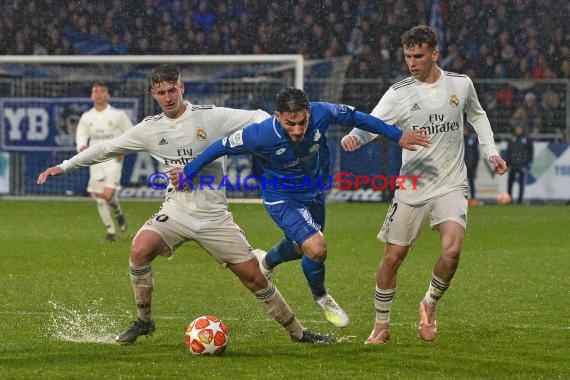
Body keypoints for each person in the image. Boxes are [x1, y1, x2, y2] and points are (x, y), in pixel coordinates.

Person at [37, 64, 335, 345]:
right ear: (153, 94)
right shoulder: (149, 128)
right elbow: (106, 148)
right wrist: (64, 166)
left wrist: (277, 133)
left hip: (214, 216)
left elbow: (257, 116)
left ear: (182, 88)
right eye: (161, 92)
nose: (167, 97)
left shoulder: (210, 117)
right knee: (140, 249)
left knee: (254, 277)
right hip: (176, 210)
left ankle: (299, 332)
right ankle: (145, 320)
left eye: (172, 90)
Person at [177, 87, 430, 329]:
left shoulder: (323, 112)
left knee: (303, 247)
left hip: (314, 191)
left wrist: (398, 135)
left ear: (308, 112)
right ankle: (322, 297)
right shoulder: (259, 134)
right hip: (281, 197)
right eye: (290, 123)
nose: (297, 130)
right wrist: (188, 173)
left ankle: (267, 260)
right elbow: (219, 147)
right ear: (278, 116)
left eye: (301, 122)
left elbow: (358, 117)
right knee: (316, 247)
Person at [341, 25, 508, 344]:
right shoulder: (399, 93)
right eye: (407, 56)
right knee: (393, 258)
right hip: (413, 185)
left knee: (453, 250)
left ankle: (429, 303)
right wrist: (355, 138)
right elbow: (373, 123)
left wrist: (491, 152)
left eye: (418, 56)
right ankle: (381, 324)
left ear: (435, 54)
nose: (412, 62)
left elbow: (478, 116)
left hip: (451, 183)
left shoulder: (461, 84)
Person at [75, 82, 133, 241]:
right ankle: (111, 232)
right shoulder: (87, 117)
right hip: (95, 160)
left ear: (108, 95)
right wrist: (82, 147)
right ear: (91, 95)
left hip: (113, 159)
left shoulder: (118, 115)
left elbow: (132, 133)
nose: (99, 94)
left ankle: (118, 213)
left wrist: (123, 150)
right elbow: (81, 135)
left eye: (102, 91)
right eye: (95, 91)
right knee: (100, 198)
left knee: (107, 194)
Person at [506, 125, 533, 204]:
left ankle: (520, 200)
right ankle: (509, 199)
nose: (518, 130)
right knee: (510, 183)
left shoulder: (526, 139)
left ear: (522, 129)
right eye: (517, 128)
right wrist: (508, 163)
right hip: (513, 164)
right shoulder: (512, 139)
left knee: (521, 183)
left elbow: (530, 152)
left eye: (519, 129)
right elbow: (508, 151)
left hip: (522, 164)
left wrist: (527, 163)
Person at [463, 125, 480, 205]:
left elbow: (476, 153)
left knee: (471, 182)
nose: (465, 131)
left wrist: (475, 164)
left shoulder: (472, 139)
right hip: (462, 165)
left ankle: (473, 198)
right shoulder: (461, 139)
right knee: (462, 183)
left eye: (466, 129)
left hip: (470, 165)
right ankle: (463, 199)